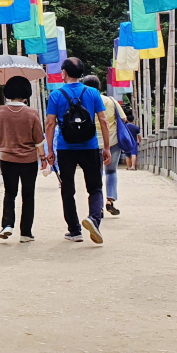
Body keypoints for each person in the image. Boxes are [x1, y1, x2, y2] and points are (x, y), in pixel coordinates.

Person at [45, 57, 112, 244]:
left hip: (65, 148)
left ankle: (74, 231)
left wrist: (50, 150)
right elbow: (103, 121)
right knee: (95, 187)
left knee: (67, 189)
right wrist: (106, 147)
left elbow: (50, 123)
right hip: (90, 146)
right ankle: (94, 219)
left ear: (63, 73)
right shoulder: (92, 93)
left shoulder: (56, 95)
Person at [0, 76, 47, 242]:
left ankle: (7, 224)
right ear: (27, 93)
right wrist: (42, 157)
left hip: (7, 159)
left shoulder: (0, 111)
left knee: (10, 192)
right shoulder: (31, 113)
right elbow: (38, 139)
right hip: (28, 160)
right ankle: (25, 233)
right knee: (28, 195)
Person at [81, 75, 125, 216]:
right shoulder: (111, 101)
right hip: (112, 142)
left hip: (92, 143)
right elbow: (123, 119)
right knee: (111, 172)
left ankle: (97, 205)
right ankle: (110, 200)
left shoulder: (83, 101)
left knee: (96, 174)